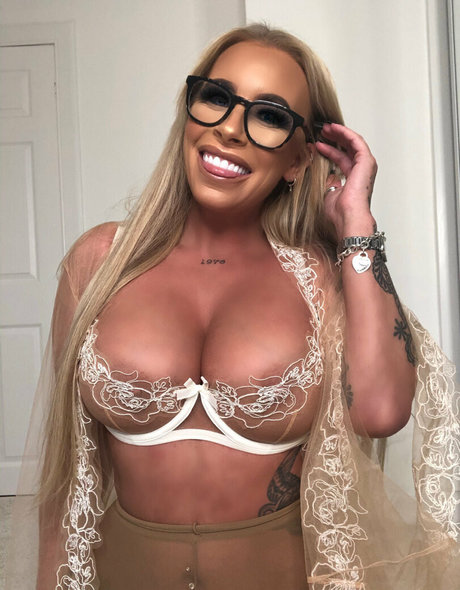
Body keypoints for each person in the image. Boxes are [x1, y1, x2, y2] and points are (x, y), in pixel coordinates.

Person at [6, 23, 459, 590]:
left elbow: (382, 411)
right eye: (217, 97)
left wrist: (356, 224)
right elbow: (65, 477)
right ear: (190, 114)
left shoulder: (321, 277)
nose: (229, 128)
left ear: (299, 159)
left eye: (269, 115)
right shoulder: (99, 263)